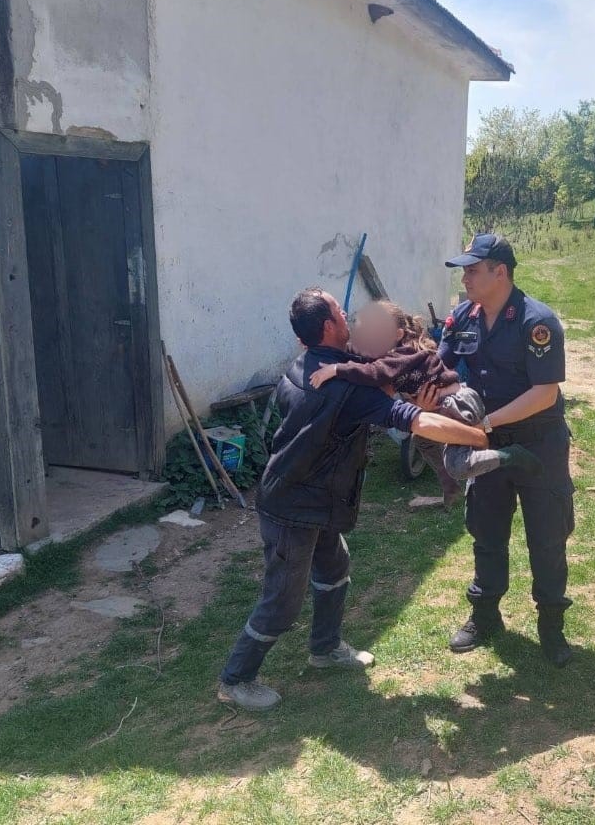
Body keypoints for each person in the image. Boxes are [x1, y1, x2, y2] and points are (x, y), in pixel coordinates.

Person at [217, 289, 491, 711]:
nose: (352, 318)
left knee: (334, 567)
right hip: (293, 507)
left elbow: (378, 372)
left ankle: (324, 649)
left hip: (313, 495)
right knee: (282, 600)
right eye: (343, 312)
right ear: (329, 326)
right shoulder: (345, 386)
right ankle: (236, 679)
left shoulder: (310, 363)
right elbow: (419, 422)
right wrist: (478, 434)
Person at [430, 234, 575, 667]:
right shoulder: (461, 318)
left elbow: (545, 394)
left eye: (473, 269)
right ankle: (485, 615)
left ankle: (552, 628)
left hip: (538, 445)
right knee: (486, 531)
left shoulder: (536, 321)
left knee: (547, 538)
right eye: (464, 270)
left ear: (501, 272)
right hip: (486, 446)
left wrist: (485, 422)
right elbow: (440, 370)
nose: (466, 277)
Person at [309, 300, 541, 482]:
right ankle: (447, 483)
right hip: (444, 404)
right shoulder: (385, 352)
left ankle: (511, 455)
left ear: (397, 335)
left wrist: (337, 369)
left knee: (459, 467)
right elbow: (359, 355)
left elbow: (375, 372)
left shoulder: (402, 356)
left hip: (456, 403)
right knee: (423, 441)